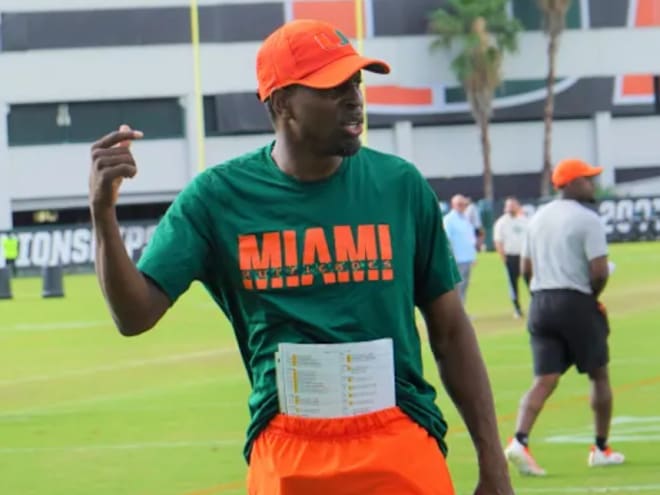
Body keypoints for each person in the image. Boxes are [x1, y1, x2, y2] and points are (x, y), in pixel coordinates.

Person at [89, 19, 513, 495]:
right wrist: (103, 213)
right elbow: (134, 315)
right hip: (289, 444)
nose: (355, 97)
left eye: (356, 80)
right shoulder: (217, 198)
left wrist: (493, 462)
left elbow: (451, 329)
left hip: (398, 433)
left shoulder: (399, 185)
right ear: (282, 102)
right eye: (333, 86)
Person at [504, 158, 625, 476]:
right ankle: (601, 448)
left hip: (540, 302)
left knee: (543, 379)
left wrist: (541, 298)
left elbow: (526, 270)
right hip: (575, 300)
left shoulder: (536, 218)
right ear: (570, 183)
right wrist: (591, 300)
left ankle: (519, 440)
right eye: (587, 179)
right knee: (599, 374)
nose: (592, 184)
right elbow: (598, 271)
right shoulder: (588, 220)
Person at [493, 197, 528, 318]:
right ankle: (517, 308)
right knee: (513, 283)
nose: (511, 208)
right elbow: (498, 241)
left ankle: (535, 305)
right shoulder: (501, 222)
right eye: (509, 206)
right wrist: (503, 257)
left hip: (524, 256)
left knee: (530, 281)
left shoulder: (524, 220)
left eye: (513, 205)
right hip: (510, 256)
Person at [443, 195, 478, 305]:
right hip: (457, 258)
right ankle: (457, 312)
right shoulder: (449, 220)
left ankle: (462, 310)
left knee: (464, 286)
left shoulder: (466, 219)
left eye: (464, 204)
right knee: (457, 287)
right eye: (459, 204)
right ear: (453, 205)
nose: (462, 207)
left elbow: (469, 239)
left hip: (466, 258)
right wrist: (450, 258)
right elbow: (446, 240)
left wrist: (473, 256)